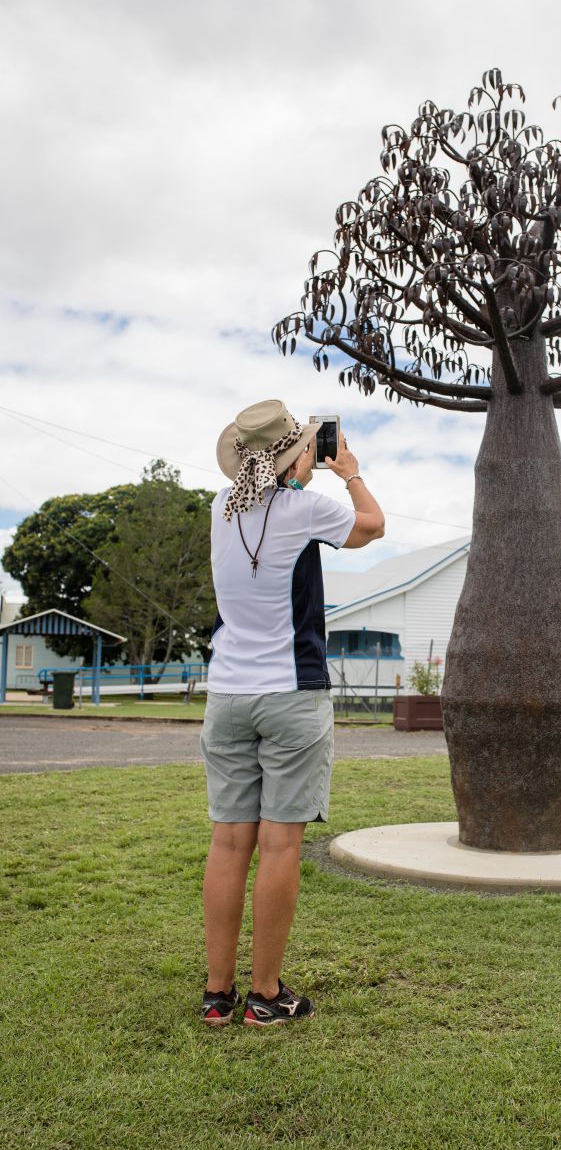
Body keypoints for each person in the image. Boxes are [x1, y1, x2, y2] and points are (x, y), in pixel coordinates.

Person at [198, 399, 384, 1027]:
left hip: (226, 694)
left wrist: (296, 469)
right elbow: (372, 525)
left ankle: (217, 997)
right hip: (291, 695)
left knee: (228, 844)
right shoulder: (306, 508)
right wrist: (348, 469)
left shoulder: (222, 511)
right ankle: (266, 996)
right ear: (296, 453)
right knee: (279, 846)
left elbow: (262, 501)